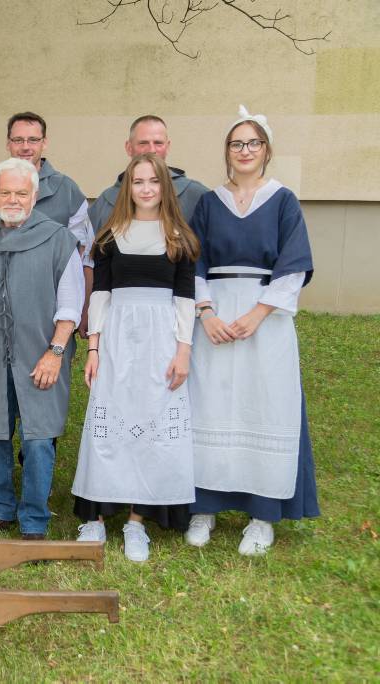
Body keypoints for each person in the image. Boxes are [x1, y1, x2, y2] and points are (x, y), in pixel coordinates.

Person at [184, 106, 318, 556]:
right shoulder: (208, 202)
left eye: (253, 143)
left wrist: (259, 314)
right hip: (216, 318)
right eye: (236, 143)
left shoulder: (283, 201)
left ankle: (262, 516)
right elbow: (194, 262)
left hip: (267, 321)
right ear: (227, 151)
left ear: (266, 150)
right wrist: (206, 313)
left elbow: (293, 264)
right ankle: (203, 507)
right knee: (210, 403)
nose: (245, 150)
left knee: (264, 404)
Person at [71, 153, 200, 562]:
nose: (145, 188)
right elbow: (101, 296)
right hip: (117, 341)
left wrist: (183, 350)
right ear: (128, 188)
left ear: (165, 187)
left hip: (161, 341)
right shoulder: (111, 235)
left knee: (152, 425)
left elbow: (185, 299)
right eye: (138, 182)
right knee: (108, 426)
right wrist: (93, 348)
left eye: (153, 181)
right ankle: (94, 518)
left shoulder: (180, 237)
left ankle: (136, 520)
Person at [0, 111, 95, 494]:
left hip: (41, 340)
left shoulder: (60, 223)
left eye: (21, 193)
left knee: (39, 432)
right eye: (5, 193)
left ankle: (35, 512)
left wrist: (56, 349)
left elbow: (71, 291)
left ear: (35, 196)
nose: (13, 199)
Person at [89, 115, 209, 234]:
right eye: (143, 143)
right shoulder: (104, 203)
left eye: (158, 143)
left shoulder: (197, 195)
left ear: (167, 147)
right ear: (129, 148)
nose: (151, 150)